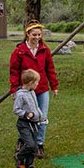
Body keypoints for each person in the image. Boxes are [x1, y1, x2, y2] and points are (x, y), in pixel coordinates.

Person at [9, 20, 58, 158]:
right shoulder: (19, 51)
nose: (37, 37)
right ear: (27, 34)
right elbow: (14, 71)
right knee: (27, 117)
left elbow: (50, 69)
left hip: (42, 88)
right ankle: (23, 141)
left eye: (39, 35)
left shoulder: (45, 50)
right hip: (26, 90)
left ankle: (39, 144)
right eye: (34, 35)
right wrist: (14, 88)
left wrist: (54, 85)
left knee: (42, 117)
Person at [13, 69, 45, 168]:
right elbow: (16, 109)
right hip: (24, 124)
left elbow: (35, 107)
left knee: (34, 146)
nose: (37, 84)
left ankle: (29, 164)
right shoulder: (21, 95)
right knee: (30, 144)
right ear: (31, 83)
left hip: (33, 123)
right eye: (36, 82)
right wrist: (26, 114)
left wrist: (41, 117)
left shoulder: (32, 92)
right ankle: (19, 156)